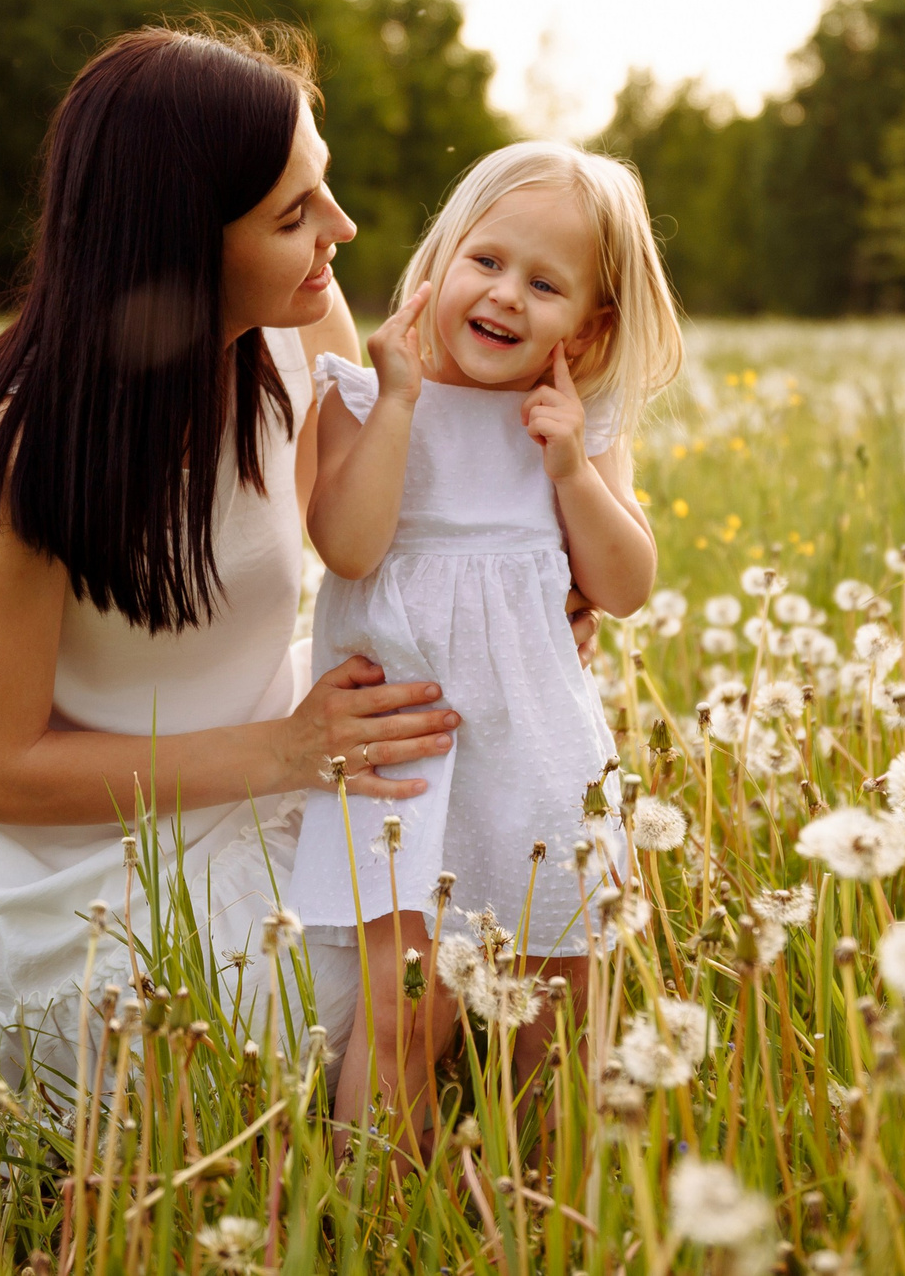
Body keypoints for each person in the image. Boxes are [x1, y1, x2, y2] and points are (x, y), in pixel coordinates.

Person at [0, 25, 602, 1144]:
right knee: (350, 1002)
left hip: (249, 742)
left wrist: (530, 589)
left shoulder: (298, 329)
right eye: (293, 215)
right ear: (181, 241)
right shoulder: (18, 450)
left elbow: (392, 514)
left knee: (461, 925)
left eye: (321, 189)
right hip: (69, 851)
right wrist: (289, 752)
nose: (343, 232)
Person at [289, 141, 684, 1138]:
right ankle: (379, 1222)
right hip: (401, 758)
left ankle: (550, 1203)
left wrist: (569, 471)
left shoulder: (572, 424)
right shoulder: (368, 394)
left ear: (590, 323)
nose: (505, 296)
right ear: (440, 259)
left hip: (536, 756)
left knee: (562, 1002)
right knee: (404, 1012)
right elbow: (347, 545)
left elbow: (626, 587)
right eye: (487, 261)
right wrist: (400, 405)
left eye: (545, 284)